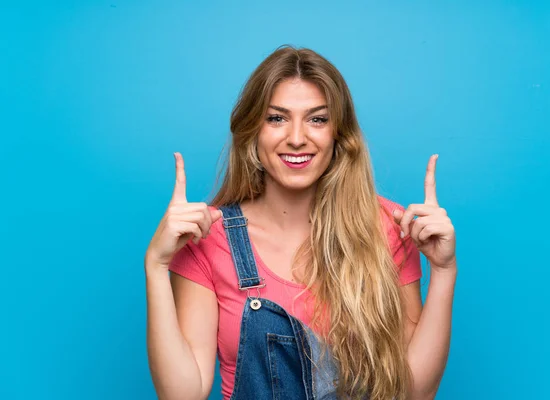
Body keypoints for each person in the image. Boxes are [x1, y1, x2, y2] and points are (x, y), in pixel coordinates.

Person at [145, 45, 457, 400]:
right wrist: (156, 265)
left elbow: (414, 392)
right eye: (276, 118)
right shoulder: (209, 239)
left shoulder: (387, 228)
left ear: (339, 134)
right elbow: (182, 395)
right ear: (252, 131)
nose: (296, 138)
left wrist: (444, 270)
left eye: (317, 119)